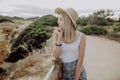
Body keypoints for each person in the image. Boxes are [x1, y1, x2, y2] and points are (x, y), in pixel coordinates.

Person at [52, 8, 87, 80]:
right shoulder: (56, 33)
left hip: (78, 73)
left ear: (68, 21)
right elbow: (56, 55)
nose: (58, 22)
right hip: (63, 72)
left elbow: (80, 61)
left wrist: (76, 78)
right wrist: (59, 37)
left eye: (61, 19)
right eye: (58, 19)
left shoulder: (81, 37)